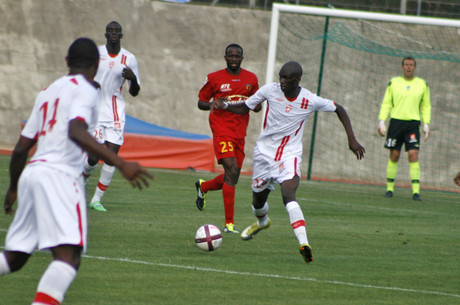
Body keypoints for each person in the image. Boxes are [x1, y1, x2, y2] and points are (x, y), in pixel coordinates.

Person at [0, 38, 151, 305]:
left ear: (67, 62)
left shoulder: (47, 91)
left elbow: (22, 147)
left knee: (15, 257)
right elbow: (76, 130)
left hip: (33, 175)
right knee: (69, 258)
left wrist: (13, 188)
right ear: (96, 64)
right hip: (60, 177)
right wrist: (120, 163)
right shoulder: (86, 91)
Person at [212, 61, 365, 263]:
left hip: (289, 155)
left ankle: (304, 243)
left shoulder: (309, 99)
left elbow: (340, 109)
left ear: (297, 80)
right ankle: (262, 221)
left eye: (286, 78)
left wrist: (351, 139)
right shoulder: (270, 90)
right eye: (281, 77)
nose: (282, 81)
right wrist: (225, 105)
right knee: (257, 203)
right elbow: (245, 107)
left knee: (288, 194)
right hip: (264, 155)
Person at [195, 43, 260, 234]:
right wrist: (211, 105)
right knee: (231, 168)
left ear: (242, 58)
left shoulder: (251, 79)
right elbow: (201, 101)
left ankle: (204, 186)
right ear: (225, 58)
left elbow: (257, 105)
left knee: (234, 176)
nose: (233, 59)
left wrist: (257, 106)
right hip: (221, 129)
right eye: (230, 56)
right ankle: (229, 224)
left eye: (237, 56)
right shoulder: (215, 78)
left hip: (240, 131)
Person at [82, 21, 141, 212]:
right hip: (95, 110)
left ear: (121, 35)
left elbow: (135, 92)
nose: (114, 33)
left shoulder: (129, 58)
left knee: (111, 156)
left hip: (116, 111)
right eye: (110, 31)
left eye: (117, 31)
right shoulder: (96, 54)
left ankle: (96, 199)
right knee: (93, 155)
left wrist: (132, 79)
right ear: (106, 34)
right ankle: (82, 183)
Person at [377, 56, 431, 201]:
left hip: (413, 124)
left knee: (413, 154)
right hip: (396, 122)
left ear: (415, 67)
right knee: (394, 155)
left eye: (411, 65)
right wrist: (381, 120)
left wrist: (426, 123)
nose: (408, 67)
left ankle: (416, 192)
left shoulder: (422, 84)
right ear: (402, 67)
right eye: (406, 65)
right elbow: (386, 103)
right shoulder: (394, 83)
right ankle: (389, 189)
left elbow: (426, 106)